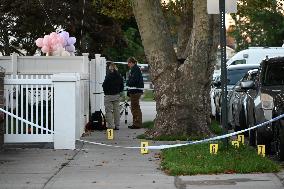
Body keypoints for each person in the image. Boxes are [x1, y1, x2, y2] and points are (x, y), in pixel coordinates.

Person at [102, 62, 124, 130]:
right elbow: (122, 86)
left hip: (108, 95)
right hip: (116, 95)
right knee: (116, 110)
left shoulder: (108, 76)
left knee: (108, 111)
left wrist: (106, 92)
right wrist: (118, 91)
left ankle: (111, 126)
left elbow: (104, 85)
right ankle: (117, 125)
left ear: (110, 68)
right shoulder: (119, 76)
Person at [126, 57, 144, 129]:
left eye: (128, 63)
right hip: (134, 91)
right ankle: (136, 123)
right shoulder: (134, 69)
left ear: (131, 62)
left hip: (136, 91)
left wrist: (127, 83)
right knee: (135, 107)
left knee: (135, 108)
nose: (128, 65)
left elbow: (134, 81)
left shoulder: (135, 69)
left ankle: (137, 124)